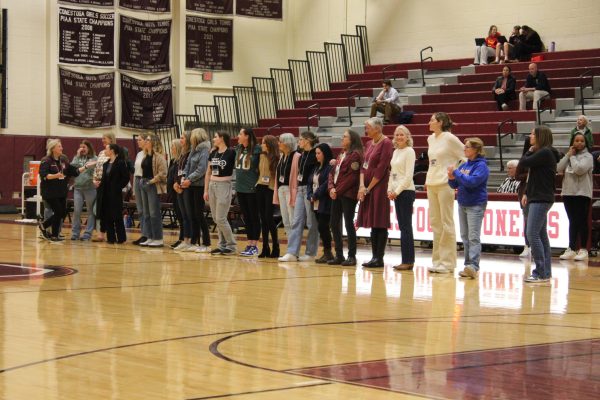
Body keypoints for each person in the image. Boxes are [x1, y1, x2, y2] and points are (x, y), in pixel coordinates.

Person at [518, 126, 559, 283]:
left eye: (533, 134)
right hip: (538, 196)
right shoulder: (544, 153)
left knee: (532, 234)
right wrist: (527, 192)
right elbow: (534, 176)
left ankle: (540, 272)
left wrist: (529, 150)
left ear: (540, 136)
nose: (530, 136)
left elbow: (523, 162)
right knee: (541, 235)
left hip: (541, 198)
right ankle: (546, 272)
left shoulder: (544, 152)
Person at [426, 112, 465, 274]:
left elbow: (466, 156)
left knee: (446, 222)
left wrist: (455, 173)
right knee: (435, 223)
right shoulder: (430, 139)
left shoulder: (449, 138)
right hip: (431, 183)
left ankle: (448, 263)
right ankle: (437, 261)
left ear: (440, 122)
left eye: (432, 120)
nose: (429, 122)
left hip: (445, 184)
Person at [448, 138, 490, 279]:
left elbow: (472, 182)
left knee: (473, 237)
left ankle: (474, 265)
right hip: (463, 203)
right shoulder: (464, 165)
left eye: (467, 147)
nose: (464, 149)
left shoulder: (481, 166)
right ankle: (468, 265)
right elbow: (455, 185)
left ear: (476, 150)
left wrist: (457, 174)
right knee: (465, 236)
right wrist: (451, 177)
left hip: (476, 204)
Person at [358, 117, 394, 268]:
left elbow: (381, 168)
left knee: (379, 222)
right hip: (366, 187)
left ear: (378, 128)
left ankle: (379, 257)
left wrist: (369, 187)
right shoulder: (368, 143)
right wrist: (361, 186)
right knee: (373, 222)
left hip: (379, 186)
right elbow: (363, 166)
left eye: (368, 127)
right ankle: (374, 257)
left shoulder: (386, 143)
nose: (366, 130)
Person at [278, 131, 319, 262]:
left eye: (301, 139)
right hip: (300, 189)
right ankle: (292, 252)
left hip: (310, 189)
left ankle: (311, 252)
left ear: (307, 140)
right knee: (296, 221)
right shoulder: (302, 155)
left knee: (311, 222)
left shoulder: (315, 154)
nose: (299, 142)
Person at [327, 129, 363, 266]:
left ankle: (352, 256)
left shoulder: (355, 155)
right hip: (336, 193)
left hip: (347, 194)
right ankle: (339, 255)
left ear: (352, 140)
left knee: (348, 224)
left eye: (345, 137)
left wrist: (337, 190)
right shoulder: (341, 154)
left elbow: (351, 178)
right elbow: (332, 173)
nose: (342, 139)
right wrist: (331, 188)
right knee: (334, 223)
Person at [558, 132, 593, 261]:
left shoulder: (588, 156)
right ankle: (571, 248)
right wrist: (568, 155)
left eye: (581, 141)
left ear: (585, 143)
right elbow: (558, 168)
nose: (579, 143)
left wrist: (572, 157)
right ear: (572, 142)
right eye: (576, 140)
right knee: (572, 221)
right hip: (568, 193)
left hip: (582, 193)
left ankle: (583, 249)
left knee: (581, 221)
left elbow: (579, 170)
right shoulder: (569, 155)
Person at [38, 139, 80, 241]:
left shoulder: (63, 160)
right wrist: (55, 175)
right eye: (59, 146)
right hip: (50, 192)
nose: (62, 148)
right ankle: (54, 235)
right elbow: (44, 175)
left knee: (61, 212)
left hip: (61, 191)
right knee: (58, 211)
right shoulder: (46, 160)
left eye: (61, 146)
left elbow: (74, 171)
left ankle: (45, 226)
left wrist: (86, 167)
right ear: (53, 149)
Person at [387, 125, 416, 271]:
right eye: (397, 135)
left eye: (402, 135)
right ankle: (406, 259)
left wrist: (396, 191)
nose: (399, 137)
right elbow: (393, 173)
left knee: (406, 227)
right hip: (397, 192)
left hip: (406, 192)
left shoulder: (409, 151)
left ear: (407, 137)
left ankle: (408, 260)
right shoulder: (396, 151)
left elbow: (408, 176)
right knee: (402, 226)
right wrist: (389, 189)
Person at [177, 128, 211, 252]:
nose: (190, 138)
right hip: (190, 185)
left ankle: (206, 243)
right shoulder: (193, 149)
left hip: (199, 186)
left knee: (199, 214)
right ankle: (194, 241)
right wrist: (184, 177)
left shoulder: (205, 150)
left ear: (197, 137)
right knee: (192, 215)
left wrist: (189, 179)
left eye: (192, 136)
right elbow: (187, 166)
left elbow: (202, 169)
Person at [204, 131, 237, 255]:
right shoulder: (213, 152)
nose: (213, 139)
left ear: (222, 138)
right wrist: (205, 190)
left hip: (224, 185)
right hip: (212, 184)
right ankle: (222, 245)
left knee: (221, 218)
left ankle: (231, 245)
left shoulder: (231, 152)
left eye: (216, 137)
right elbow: (208, 172)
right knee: (215, 218)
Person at [235, 127, 262, 257]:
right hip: (240, 188)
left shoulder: (257, 149)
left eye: (240, 134)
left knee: (253, 217)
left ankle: (255, 245)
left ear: (247, 136)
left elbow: (262, 167)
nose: (238, 136)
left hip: (252, 189)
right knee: (246, 217)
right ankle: (249, 243)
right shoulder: (238, 149)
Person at [96, 144, 130, 244]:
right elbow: (104, 178)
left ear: (112, 151)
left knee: (117, 216)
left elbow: (126, 177)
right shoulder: (106, 163)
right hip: (105, 193)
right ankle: (111, 238)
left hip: (115, 194)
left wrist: (118, 187)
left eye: (106, 149)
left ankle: (121, 238)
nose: (104, 151)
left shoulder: (120, 163)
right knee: (107, 216)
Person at [139, 134, 167, 247]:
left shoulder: (159, 157)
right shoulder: (145, 156)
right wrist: (143, 181)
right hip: (144, 183)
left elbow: (163, 173)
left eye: (148, 140)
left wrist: (151, 181)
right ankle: (150, 237)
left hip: (153, 185)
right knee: (146, 214)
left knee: (154, 213)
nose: (145, 141)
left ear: (154, 142)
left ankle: (158, 238)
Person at [308, 143, 334, 264]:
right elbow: (309, 182)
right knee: (321, 226)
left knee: (323, 226)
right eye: (316, 153)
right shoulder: (316, 167)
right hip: (315, 202)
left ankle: (328, 252)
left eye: (319, 153)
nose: (316, 155)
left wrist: (316, 195)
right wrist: (309, 195)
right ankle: (326, 252)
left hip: (324, 201)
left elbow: (325, 184)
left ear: (325, 153)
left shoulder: (329, 167)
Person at [256, 135, 280, 258]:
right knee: (262, 219)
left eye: (264, 143)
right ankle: (265, 247)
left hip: (270, 188)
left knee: (269, 218)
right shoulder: (260, 156)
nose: (261, 145)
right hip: (260, 186)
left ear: (269, 144)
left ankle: (276, 246)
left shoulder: (276, 157)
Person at [70, 140, 97, 241]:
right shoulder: (77, 158)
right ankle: (75, 233)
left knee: (90, 211)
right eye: (81, 147)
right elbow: (72, 168)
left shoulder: (95, 158)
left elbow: (97, 172)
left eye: (84, 147)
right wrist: (77, 155)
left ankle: (87, 234)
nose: (82, 149)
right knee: (77, 211)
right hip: (78, 188)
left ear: (89, 148)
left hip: (90, 188)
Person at [273, 133, 300, 239]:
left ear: (287, 143)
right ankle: (290, 246)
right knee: (285, 220)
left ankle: (294, 249)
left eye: (280, 141)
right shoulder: (282, 156)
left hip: (291, 190)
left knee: (293, 219)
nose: (278, 143)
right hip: (281, 190)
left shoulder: (297, 156)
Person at [167, 138, 185, 249]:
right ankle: (180, 238)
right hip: (172, 192)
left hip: (179, 191)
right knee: (178, 216)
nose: (171, 149)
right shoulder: (173, 160)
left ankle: (183, 238)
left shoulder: (180, 161)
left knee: (182, 216)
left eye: (173, 146)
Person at [132, 135, 148, 245]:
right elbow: (135, 172)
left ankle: (148, 235)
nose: (138, 142)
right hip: (137, 180)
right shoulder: (139, 154)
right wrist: (134, 188)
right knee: (140, 210)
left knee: (146, 211)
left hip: (145, 180)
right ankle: (143, 234)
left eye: (140, 140)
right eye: (137, 140)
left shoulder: (150, 153)